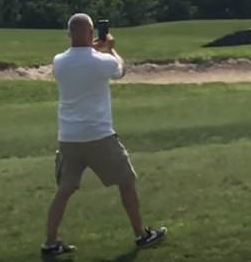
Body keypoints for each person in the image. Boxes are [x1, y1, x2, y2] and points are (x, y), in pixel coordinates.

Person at [41, 13, 167, 256]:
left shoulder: (59, 61)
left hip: (68, 137)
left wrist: (95, 49)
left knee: (64, 190)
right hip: (99, 135)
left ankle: (50, 242)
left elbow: (79, 60)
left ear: (68, 34)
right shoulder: (103, 61)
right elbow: (121, 70)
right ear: (91, 34)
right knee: (126, 181)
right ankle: (141, 235)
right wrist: (110, 49)